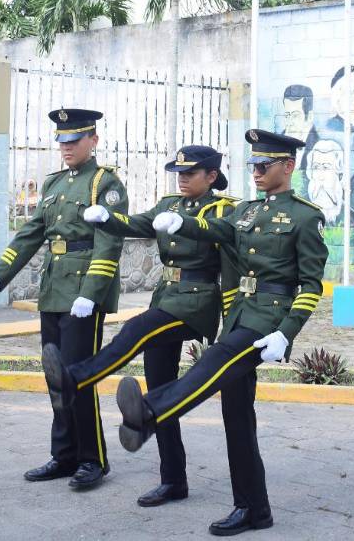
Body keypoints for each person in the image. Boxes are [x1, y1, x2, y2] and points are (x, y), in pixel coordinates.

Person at [108, 129, 327, 537]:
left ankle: (152, 411)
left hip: (268, 320)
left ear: (288, 166)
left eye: (265, 165)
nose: (257, 171)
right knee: (236, 417)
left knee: (214, 361)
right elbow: (219, 233)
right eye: (253, 165)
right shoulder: (245, 210)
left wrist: (285, 333)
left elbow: (312, 285)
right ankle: (254, 509)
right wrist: (184, 223)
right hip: (240, 313)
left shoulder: (304, 216)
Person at [43, 145, 236, 508]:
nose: (182, 178)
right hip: (166, 297)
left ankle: (76, 378)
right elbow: (136, 224)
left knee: (135, 329)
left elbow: (229, 252)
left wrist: (227, 329)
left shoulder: (225, 209)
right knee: (161, 391)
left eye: (190, 173)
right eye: (178, 172)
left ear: (211, 176)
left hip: (196, 302)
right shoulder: (168, 204)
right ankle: (173, 480)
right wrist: (106, 218)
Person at [0, 108, 127, 490]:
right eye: (61, 141)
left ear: (93, 140)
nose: (66, 148)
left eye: (74, 141)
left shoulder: (104, 185)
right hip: (54, 290)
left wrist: (91, 294)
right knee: (56, 377)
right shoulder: (54, 184)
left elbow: (109, 243)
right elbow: (31, 234)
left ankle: (93, 460)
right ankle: (64, 456)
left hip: (81, 294)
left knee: (80, 377)